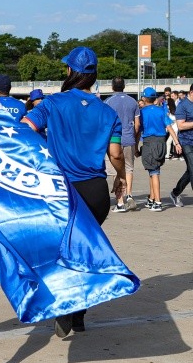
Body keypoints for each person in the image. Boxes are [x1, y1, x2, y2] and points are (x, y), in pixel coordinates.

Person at [22, 46, 126, 337]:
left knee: (59, 252)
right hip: (95, 192)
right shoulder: (108, 112)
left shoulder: (52, 104)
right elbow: (115, 153)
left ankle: (65, 308)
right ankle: (78, 314)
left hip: (62, 190)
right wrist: (121, 177)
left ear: (70, 71)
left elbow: (25, 127)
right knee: (84, 251)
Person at [138, 87, 181, 212]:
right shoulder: (161, 111)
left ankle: (157, 201)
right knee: (153, 170)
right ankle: (152, 198)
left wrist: (135, 145)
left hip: (149, 142)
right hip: (161, 141)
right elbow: (169, 127)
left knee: (154, 172)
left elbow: (138, 129)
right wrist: (177, 142)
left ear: (144, 98)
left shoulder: (142, 112)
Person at [104, 76, 140, 212]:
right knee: (129, 168)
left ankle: (120, 202)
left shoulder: (108, 102)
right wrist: (135, 140)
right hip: (129, 138)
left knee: (115, 169)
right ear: (124, 86)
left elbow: (105, 124)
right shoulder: (133, 102)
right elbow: (137, 125)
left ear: (113, 87)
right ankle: (129, 194)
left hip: (114, 140)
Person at [169, 83, 193, 208]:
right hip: (186, 142)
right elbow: (181, 125)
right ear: (191, 92)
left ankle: (175, 192)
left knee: (190, 171)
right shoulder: (183, 106)